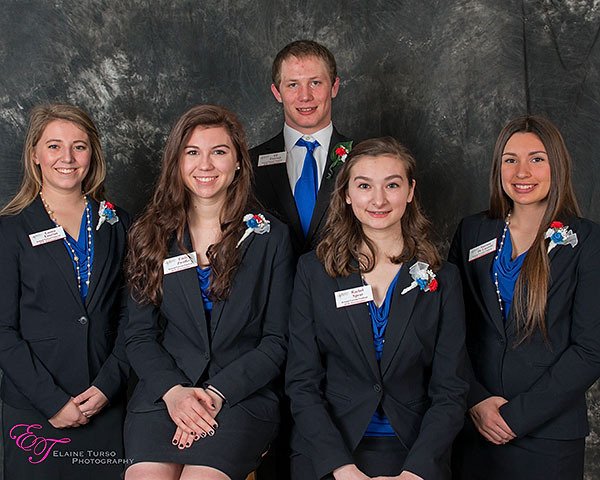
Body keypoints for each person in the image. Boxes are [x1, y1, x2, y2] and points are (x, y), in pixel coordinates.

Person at [124, 104, 294, 480]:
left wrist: (216, 393)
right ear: (177, 163)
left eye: (219, 152)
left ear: (238, 163)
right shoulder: (148, 234)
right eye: (192, 152)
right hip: (163, 395)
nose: (206, 165)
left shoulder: (271, 238)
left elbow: (276, 341)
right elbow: (138, 336)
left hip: (239, 397)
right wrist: (174, 393)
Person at [286, 137, 469, 480]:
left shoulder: (444, 279)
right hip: (329, 452)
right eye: (365, 185)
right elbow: (302, 383)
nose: (379, 199)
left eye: (392, 185)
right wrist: (341, 468)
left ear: (411, 191)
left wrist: (415, 472)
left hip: (414, 453)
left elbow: (450, 391)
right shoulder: (313, 272)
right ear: (346, 194)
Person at [449, 115, 600, 480]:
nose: (522, 172)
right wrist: (477, 401)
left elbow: (590, 349)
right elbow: (448, 330)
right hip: (475, 430)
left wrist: (516, 418)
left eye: (536, 158)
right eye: (510, 159)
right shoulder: (472, 231)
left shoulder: (587, 242)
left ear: (557, 165)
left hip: (547, 436)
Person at [0, 103, 130, 479]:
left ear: (93, 154)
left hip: (105, 404)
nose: (68, 158)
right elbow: (3, 331)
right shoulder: (10, 231)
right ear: (35, 155)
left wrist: (108, 385)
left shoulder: (118, 221)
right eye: (54, 146)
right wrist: (52, 401)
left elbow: (132, 317)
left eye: (80, 146)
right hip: (36, 410)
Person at [250, 39, 352, 256]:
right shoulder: (248, 164)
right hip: (273, 288)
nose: (305, 96)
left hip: (343, 284)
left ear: (334, 87)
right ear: (277, 92)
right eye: (293, 84)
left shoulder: (362, 159)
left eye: (315, 83)